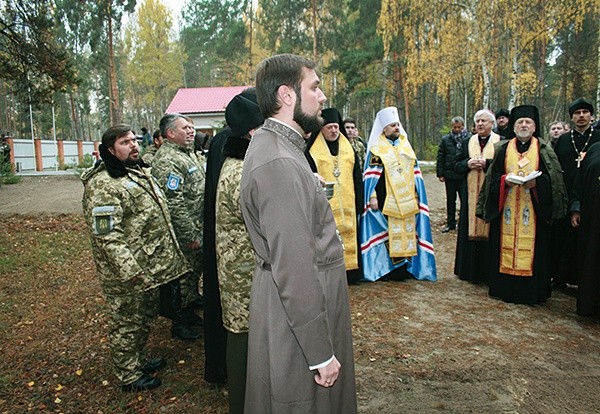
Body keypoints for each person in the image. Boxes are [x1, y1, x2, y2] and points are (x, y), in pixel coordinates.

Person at [240, 53, 357, 413]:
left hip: (293, 312)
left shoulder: (281, 150)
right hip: (298, 323)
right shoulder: (280, 162)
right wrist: (320, 354)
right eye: (315, 87)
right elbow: (293, 267)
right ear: (287, 95)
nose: (322, 97)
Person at [81, 124, 190, 391]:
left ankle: (138, 359)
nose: (133, 146)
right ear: (110, 150)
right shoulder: (104, 185)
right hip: (126, 273)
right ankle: (128, 375)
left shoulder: (136, 171)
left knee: (144, 317)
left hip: (148, 267)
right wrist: (131, 270)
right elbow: (107, 235)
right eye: (124, 143)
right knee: (127, 322)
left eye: (133, 140)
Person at [477, 105, 567, 305]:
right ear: (513, 127)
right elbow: (491, 181)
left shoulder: (544, 150)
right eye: (520, 122)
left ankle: (531, 293)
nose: (524, 125)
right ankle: (504, 289)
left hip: (534, 212)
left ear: (535, 127)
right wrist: (504, 182)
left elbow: (553, 182)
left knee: (535, 250)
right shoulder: (503, 148)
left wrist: (537, 184)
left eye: (528, 122)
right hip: (507, 210)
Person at [203, 87, 257, 385]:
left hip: (229, 251)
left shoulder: (229, 142)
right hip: (238, 257)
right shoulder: (236, 154)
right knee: (240, 327)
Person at [214, 92, 264, 413]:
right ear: (252, 132)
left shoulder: (243, 162)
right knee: (242, 338)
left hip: (244, 271)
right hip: (243, 275)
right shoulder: (242, 172)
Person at [360, 107, 436, 282]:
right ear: (384, 128)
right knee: (388, 234)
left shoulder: (405, 145)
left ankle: (406, 268)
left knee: (407, 232)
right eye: (393, 125)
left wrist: (418, 196)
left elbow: (416, 174)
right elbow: (371, 176)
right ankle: (388, 269)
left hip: (408, 200)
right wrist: (372, 196)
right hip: (385, 199)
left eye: (397, 125)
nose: (396, 128)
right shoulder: (376, 148)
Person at [152, 113, 205, 340]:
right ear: (170, 133)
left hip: (198, 225)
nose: (191, 131)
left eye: (192, 127)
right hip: (185, 231)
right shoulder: (168, 160)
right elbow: (173, 202)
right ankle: (179, 321)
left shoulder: (187, 154)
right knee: (182, 276)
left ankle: (191, 304)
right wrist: (189, 234)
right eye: (185, 128)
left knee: (193, 272)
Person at [305, 108, 363, 284]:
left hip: (349, 204)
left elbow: (357, 177)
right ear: (321, 129)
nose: (333, 130)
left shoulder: (349, 149)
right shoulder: (311, 151)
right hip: (325, 206)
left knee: (351, 236)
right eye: (329, 127)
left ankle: (352, 273)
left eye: (336, 127)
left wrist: (360, 203)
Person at [551, 98, 600, 290]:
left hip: (591, 197)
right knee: (563, 237)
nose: (581, 116)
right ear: (571, 118)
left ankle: (585, 280)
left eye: (585, 113)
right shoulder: (563, 139)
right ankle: (560, 277)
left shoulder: (598, 137)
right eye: (577, 113)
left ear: (591, 116)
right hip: (566, 194)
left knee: (587, 239)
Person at [452, 110, 501, 284]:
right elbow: (455, 165)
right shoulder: (467, 142)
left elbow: (503, 166)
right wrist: (467, 163)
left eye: (484, 121)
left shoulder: (500, 142)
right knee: (468, 226)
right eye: (477, 121)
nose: (480, 124)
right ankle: (468, 271)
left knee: (491, 228)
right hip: (470, 192)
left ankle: (488, 273)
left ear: (492, 124)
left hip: (491, 194)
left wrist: (487, 164)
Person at [570, 141, 600, 317]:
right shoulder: (595, 148)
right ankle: (589, 306)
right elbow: (579, 182)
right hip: (592, 218)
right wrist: (576, 208)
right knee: (591, 259)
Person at [436, 116, 469, 233]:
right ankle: (450, 223)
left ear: (463, 126)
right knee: (450, 200)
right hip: (450, 175)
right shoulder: (446, 140)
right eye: (454, 127)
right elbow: (441, 156)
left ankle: (463, 223)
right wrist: (440, 173)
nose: (456, 129)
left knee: (464, 201)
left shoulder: (469, 139)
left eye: (459, 127)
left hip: (464, 175)